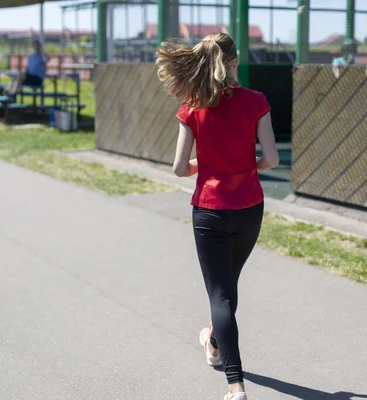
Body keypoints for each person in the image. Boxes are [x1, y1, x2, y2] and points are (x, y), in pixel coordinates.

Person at [155, 33, 279, 400]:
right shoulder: (256, 102)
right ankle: (213, 342)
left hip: (210, 210)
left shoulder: (191, 106)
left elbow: (179, 168)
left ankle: (235, 384)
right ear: (235, 62)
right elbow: (272, 159)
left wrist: (204, 167)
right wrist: (247, 165)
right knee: (227, 288)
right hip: (250, 208)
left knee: (221, 295)